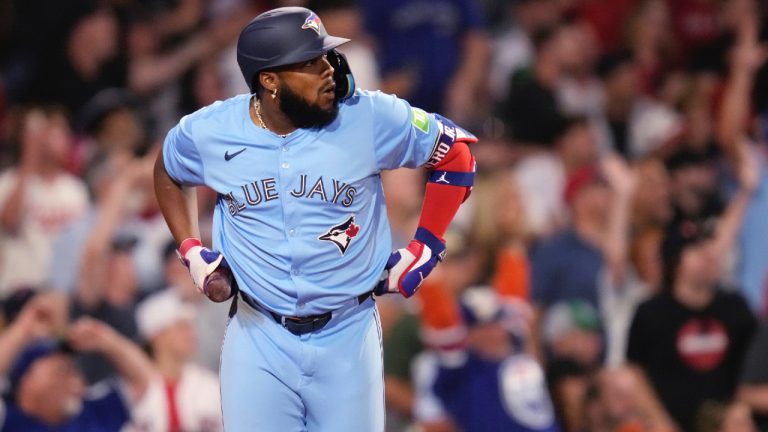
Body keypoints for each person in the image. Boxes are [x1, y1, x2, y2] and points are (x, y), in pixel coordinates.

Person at [152, 7, 476, 431]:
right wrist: (191, 250)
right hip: (257, 334)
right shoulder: (212, 130)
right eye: (310, 63)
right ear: (269, 81)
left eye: (325, 56)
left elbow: (457, 154)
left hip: (348, 331)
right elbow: (168, 171)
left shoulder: (368, 115)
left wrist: (426, 247)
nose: (328, 69)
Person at [0, 298, 153, 431]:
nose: (72, 379)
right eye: (60, 371)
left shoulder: (93, 412)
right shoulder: (10, 421)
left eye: (72, 370)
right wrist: (22, 330)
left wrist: (107, 341)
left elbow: (147, 383)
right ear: (27, 380)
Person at [131, 290, 223, 431]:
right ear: (157, 336)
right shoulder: (132, 389)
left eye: (191, 326)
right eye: (181, 327)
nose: (191, 334)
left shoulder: (210, 385)